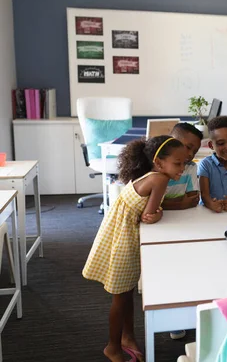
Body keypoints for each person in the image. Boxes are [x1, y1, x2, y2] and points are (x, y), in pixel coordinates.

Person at [82, 135, 188, 362]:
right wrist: (158, 214)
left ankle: (127, 337)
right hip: (124, 243)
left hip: (117, 236)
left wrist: (157, 211)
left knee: (126, 293)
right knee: (120, 298)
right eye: (178, 163)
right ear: (159, 163)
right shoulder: (160, 179)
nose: (182, 168)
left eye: (185, 163)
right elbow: (148, 216)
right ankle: (112, 346)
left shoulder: (151, 175)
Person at [161, 123, 203, 340]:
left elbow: (193, 199)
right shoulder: (158, 168)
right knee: (167, 270)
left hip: (185, 223)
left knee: (188, 265)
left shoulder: (191, 168)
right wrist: (178, 203)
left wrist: (167, 203)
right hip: (159, 225)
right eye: (186, 147)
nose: (189, 154)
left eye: (194, 150)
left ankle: (189, 310)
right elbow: (151, 205)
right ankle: (172, 317)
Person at [162, 123, 203, 211]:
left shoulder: (190, 167)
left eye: (195, 152)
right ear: (171, 140)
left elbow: (193, 200)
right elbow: (146, 202)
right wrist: (180, 204)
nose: (191, 154)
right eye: (188, 147)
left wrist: (165, 202)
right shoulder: (157, 165)